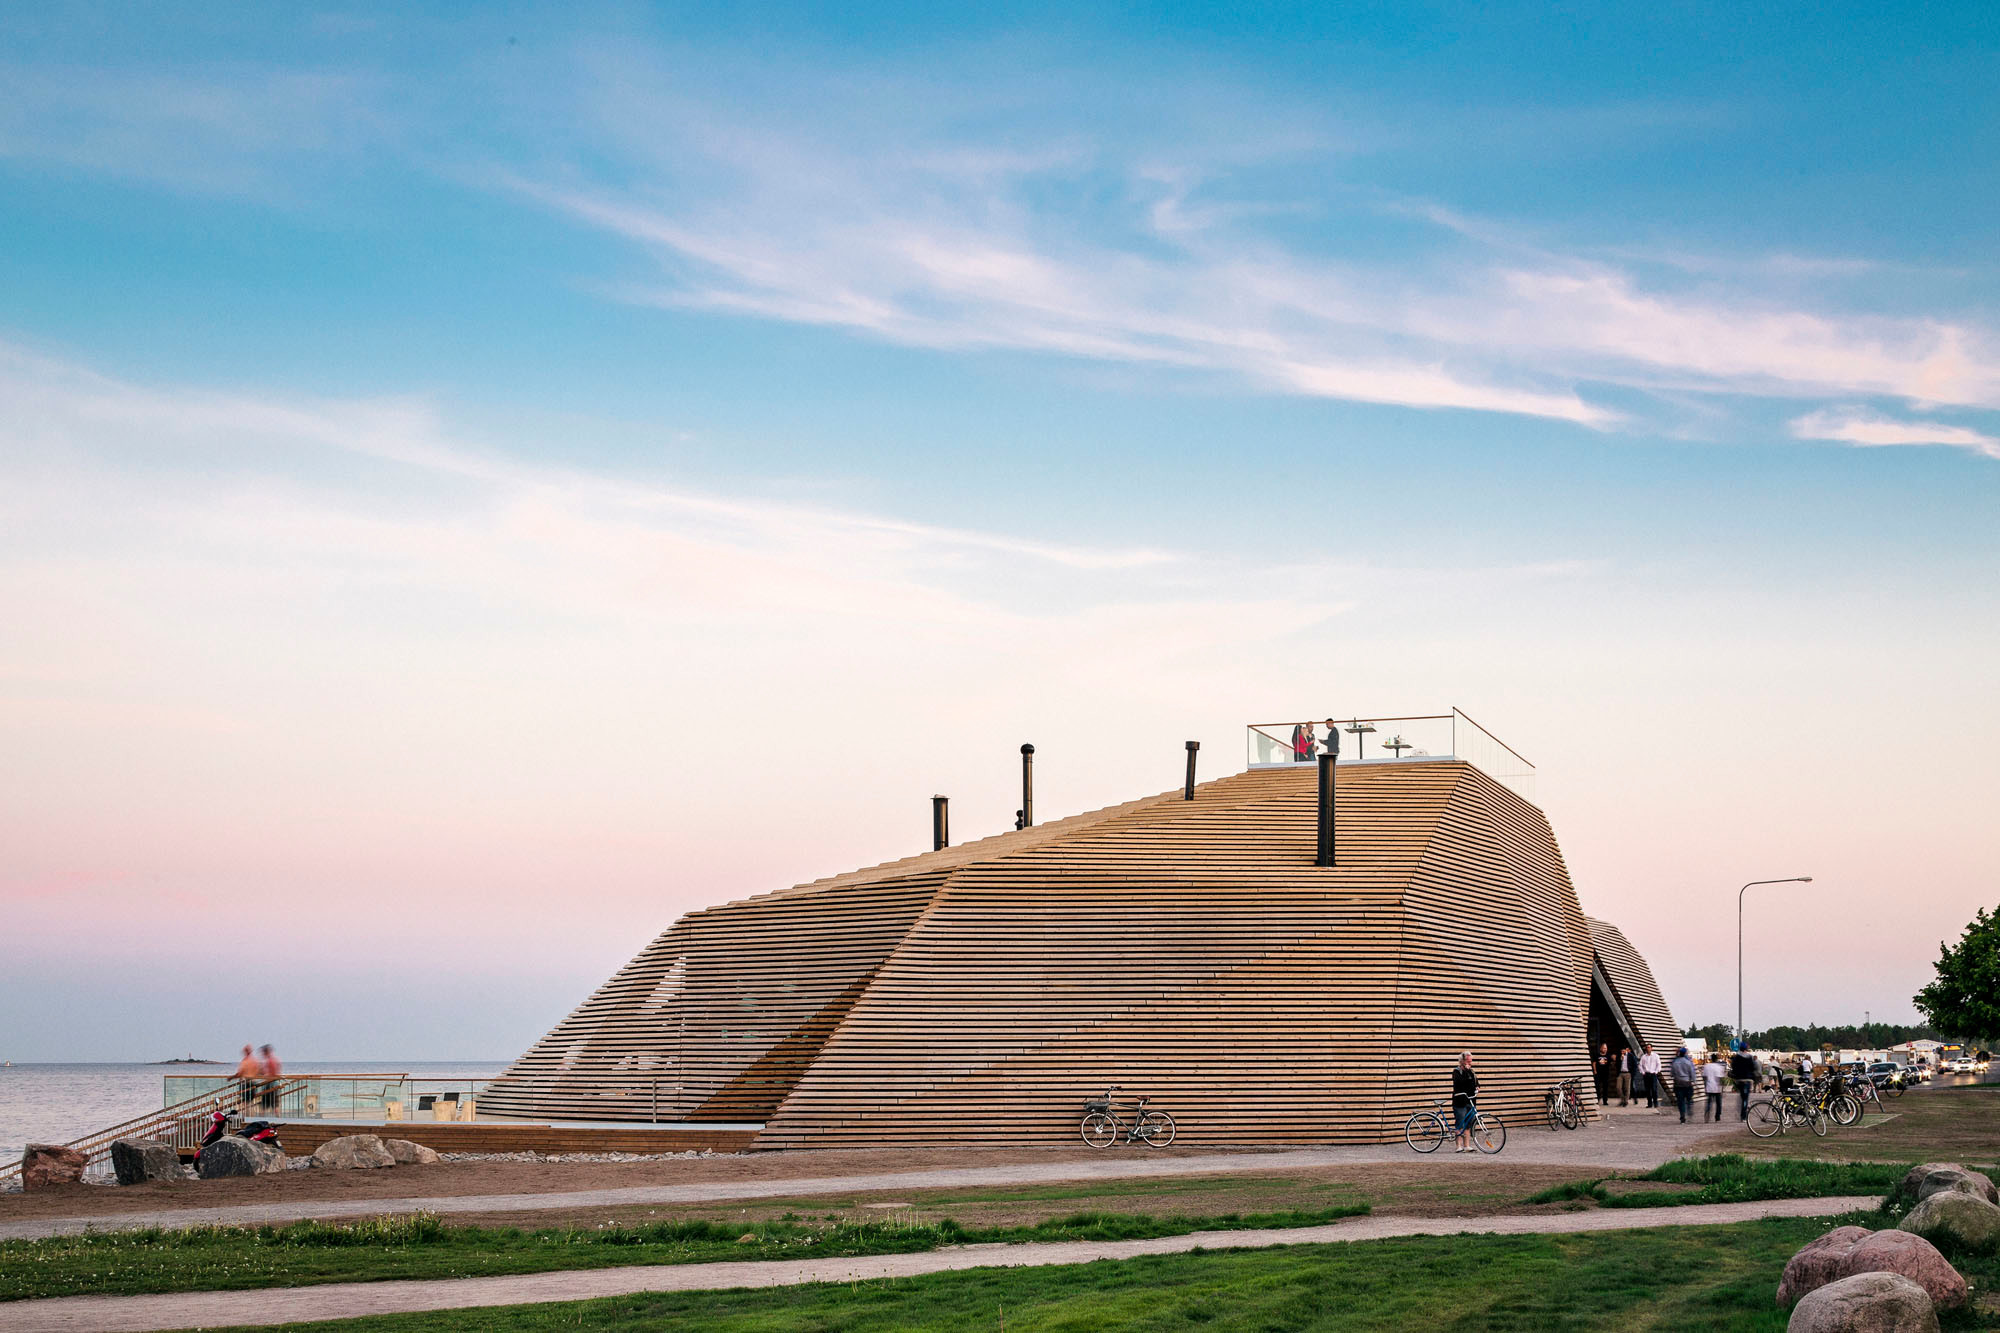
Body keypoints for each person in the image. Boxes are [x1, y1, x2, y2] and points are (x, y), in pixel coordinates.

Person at [1452, 1051, 1479, 1152]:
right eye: (1468, 1061)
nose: (1470, 1063)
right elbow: (1460, 1083)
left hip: (1471, 1101)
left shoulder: (1472, 1072)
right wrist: (1467, 1071)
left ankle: (1466, 1145)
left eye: (1471, 1061)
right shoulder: (1456, 1072)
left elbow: (1476, 1082)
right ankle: (1458, 1146)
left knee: (1468, 1124)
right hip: (1460, 1102)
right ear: (1462, 1061)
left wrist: (1478, 1087)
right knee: (1460, 1123)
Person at [1728, 1041, 1759, 1121]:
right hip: (1747, 1079)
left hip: (1739, 1080)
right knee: (1745, 1098)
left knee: (1742, 1096)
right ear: (1746, 1048)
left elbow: (1733, 1067)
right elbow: (1753, 1068)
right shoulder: (1750, 1057)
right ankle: (1743, 1116)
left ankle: (1741, 1109)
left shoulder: (1736, 1057)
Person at [1670, 1046, 1696, 1123]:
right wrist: (1694, 1082)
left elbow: (1672, 1074)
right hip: (1687, 1084)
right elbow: (1692, 1074)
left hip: (1678, 1084)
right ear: (1685, 1053)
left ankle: (1682, 1116)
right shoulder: (1688, 1063)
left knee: (1680, 1101)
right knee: (1689, 1100)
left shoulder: (1675, 1062)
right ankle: (1689, 1113)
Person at [1701, 1050, 1726, 1122]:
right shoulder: (1719, 1067)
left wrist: (1705, 1084)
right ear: (1717, 1059)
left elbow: (1704, 1077)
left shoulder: (1706, 1066)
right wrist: (1722, 1088)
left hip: (1709, 1087)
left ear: (1711, 1059)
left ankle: (1707, 1115)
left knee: (1709, 1102)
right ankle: (1717, 1117)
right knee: (1718, 1103)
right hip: (1717, 1088)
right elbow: (1721, 1078)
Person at [257, 1044, 282, 1112]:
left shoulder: (271, 1061)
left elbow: (273, 1073)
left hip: (270, 1084)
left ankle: (262, 1120)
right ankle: (277, 1119)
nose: (262, 1054)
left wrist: (264, 1074)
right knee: (273, 1104)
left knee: (267, 1105)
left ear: (266, 1052)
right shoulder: (274, 1060)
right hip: (272, 1083)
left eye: (263, 1052)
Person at [232, 1044, 258, 1108]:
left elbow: (240, 1073)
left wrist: (231, 1077)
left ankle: (246, 1116)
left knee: (245, 1102)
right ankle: (250, 1116)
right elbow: (258, 1072)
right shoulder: (254, 1061)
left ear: (245, 1052)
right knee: (250, 1101)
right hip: (253, 1082)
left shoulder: (245, 1061)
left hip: (245, 1083)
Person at [1638, 1043, 1661, 1109]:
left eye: (1649, 1047)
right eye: (1647, 1047)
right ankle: (1649, 1104)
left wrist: (1656, 1072)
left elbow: (1658, 1064)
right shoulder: (1643, 1057)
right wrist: (1643, 1072)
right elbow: (1640, 1065)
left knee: (1654, 1089)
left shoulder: (1656, 1056)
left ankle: (1656, 1103)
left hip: (1653, 1074)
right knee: (1647, 1090)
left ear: (1651, 1048)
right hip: (1646, 1074)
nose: (1648, 1048)